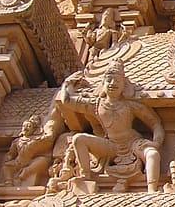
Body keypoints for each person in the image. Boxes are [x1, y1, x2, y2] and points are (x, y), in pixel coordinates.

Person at [57, 61, 165, 192]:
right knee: (78, 139)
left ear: (124, 85)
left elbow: (155, 123)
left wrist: (156, 143)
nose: (113, 84)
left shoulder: (130, 106)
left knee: (152, 154)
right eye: (109, 80)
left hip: (133, 143)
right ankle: (86, 178)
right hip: (111, 145)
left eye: (117, 81)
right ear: (103, 83)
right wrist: (67, 84)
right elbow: (67, 101)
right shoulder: (96, 105)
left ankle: (152, 190)